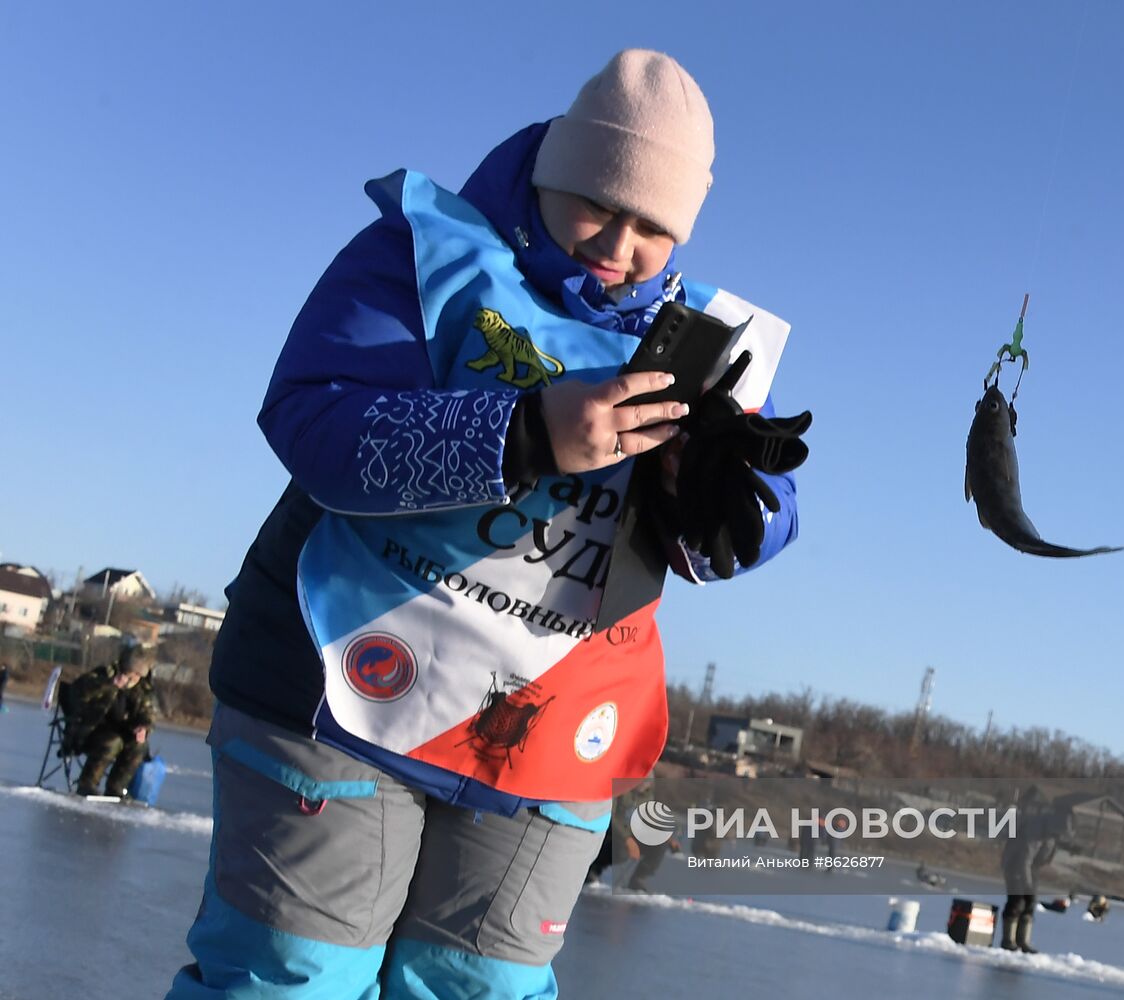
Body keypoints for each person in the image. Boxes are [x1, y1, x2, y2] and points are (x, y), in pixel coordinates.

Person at [169, 49, 807, 999]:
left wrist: (722, 501)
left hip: (550, 731)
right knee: (291, 978)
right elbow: (312, 415)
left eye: (652, 228)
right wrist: (525, 434)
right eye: (598, 204)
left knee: (479, 988)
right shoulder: (430, 255)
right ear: (552, 173)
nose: (619, 244)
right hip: (338, 681)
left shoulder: (708, 346)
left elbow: (757, 517)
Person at [61, 642, 158, 798]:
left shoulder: (142, 689)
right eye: (132, 674)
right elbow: (80, 693)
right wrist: (109, 685)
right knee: (112, 742)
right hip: (90, 731)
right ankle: (87, 783)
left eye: (138, 675)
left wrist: (143, 727)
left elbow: (149, 714)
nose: (134, 679)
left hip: (124, 732)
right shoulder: (102, 675)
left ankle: (116, 788)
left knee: (139, 746)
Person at [1000, 786, 1074, 954]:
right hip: (1015, 864)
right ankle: (1007, 940)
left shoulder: (1052, 833)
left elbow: (1045, 853)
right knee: (1017, 900)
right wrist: (1026, 884)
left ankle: (1023, 941)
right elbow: (1024, 858)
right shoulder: (1035, 830)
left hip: (1031, 867)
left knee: (1030, 902)